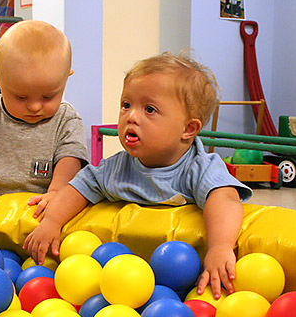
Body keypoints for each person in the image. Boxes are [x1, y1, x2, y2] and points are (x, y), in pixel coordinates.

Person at [23, 53, 252, 299]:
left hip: (179, 274)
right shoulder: (117, 168)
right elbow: (79, 186)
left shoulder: (199, 167)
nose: (131, 116)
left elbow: (225, 199)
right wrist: (52, 222)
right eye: (126, 105)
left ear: (188, 129)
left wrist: (220, 247)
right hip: (124, 276)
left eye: (149, 109)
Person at [0, 20, 88, 233]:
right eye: (21, 96)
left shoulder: (66, 118)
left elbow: (70, 159)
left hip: (38, 216)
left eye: (48, 96)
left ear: (65, 80)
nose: (34, 106)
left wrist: (57, 193)